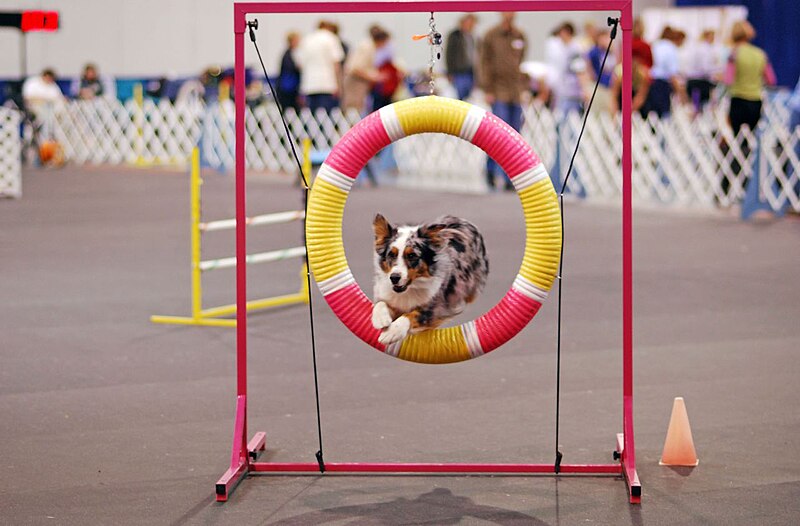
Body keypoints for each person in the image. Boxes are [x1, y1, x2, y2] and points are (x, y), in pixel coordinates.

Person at [479, 12, 527, 191]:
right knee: (497, 136)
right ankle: (490, 171)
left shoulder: (520, 35)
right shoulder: (491, 35)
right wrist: (487, 89)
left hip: (515, 91)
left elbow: (520, 60)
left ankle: (510, 178)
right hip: (498, 90)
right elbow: (484, 63)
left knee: (515, 137)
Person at [724, 20, 776, 136]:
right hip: (756, 100)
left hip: (738, 99)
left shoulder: (734, 54)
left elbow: (728, 79)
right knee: (753, 137)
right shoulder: (760, 54)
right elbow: (771, 80)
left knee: (737, 138)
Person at [295, 20, 345, 113]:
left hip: (309, 85)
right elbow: (336, 63)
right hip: (328, 85)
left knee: (311, 118)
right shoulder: (331, 38)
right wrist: (339, 86)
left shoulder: (306, 39)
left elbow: (299, 64)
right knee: (327, 119)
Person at [341, 25, 391, 113]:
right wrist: (374, 77)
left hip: (358, 84)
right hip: (355, 84)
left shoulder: (368, 46)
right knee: (353, 111)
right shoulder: (367, 48)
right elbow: (356, 68)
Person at [546, 22, 587, 115]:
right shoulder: (561, 48)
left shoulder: (575, 49)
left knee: (569, 122)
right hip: (561, 92)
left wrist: (584, 90)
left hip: (573, 93)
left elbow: (580, 71)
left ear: (567, 33)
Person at [647, 26, 685, 119]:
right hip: (662, 84)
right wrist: (681, 93)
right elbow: (672, 73)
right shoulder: (671, 48)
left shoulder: (656, 44)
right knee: (664, 115)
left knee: (652, 114)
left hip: (650, 81)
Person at [445, 14, 479, 100]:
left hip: (470, 71)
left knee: (468, 95)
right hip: (458, 71)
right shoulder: (455, 36)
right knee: (459, 95)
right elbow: (449, 54)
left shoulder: (472, 37)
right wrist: (450, 71)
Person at [684, 30, 719, 111]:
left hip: (693, 81)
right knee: (699, 107)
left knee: (695, 107)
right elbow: (706, 68)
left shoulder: (698, 47)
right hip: (700, 83)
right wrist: (717, 73)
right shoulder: (705, 49)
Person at [586, 29, 615, 114]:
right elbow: (588, 65)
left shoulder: (609, 52)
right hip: (597, 85)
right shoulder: (594, 52)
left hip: (608, 86)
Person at [276, 31, 302, 112]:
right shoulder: (288, 55)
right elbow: (291, 69)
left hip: (288, 88)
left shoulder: (291, 54)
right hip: (288, 89)